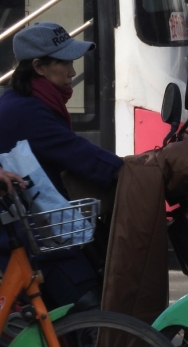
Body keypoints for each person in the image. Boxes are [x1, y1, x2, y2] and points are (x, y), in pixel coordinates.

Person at [0, 22, 123, 310]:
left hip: (32, 226)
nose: (72, 72)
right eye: (65, 63)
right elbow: (83, 157)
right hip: (26, 238)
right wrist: (140, 172)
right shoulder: (28, 111)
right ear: (39, 67)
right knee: (91, 307)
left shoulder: (22, 101)